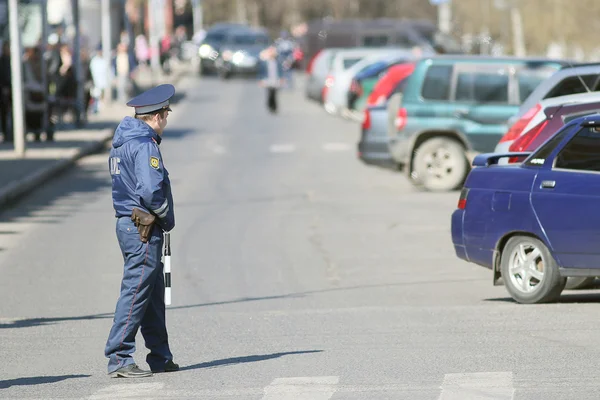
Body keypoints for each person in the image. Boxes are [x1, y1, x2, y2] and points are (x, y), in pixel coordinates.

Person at [105, 84, 178, 378]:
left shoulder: (123, 142)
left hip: (128, 225)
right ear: (157, 116)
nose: (166, 120)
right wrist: (166, 217)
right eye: (166, 114)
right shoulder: (144, 144)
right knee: (135, 293)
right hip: (143, 229)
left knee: (151, 293)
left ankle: (160, 356)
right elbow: (150, 190)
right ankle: (119, 357)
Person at [258, 46, 284, 114]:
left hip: (275, 80)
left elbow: (280, 71)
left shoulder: (278, 62)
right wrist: (261, 80)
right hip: (268, 80)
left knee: (274, 94)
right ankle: (270, 105)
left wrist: (281, 78)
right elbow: (261, 72)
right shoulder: (265, 62)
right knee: (270, 93)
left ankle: (274, 107)